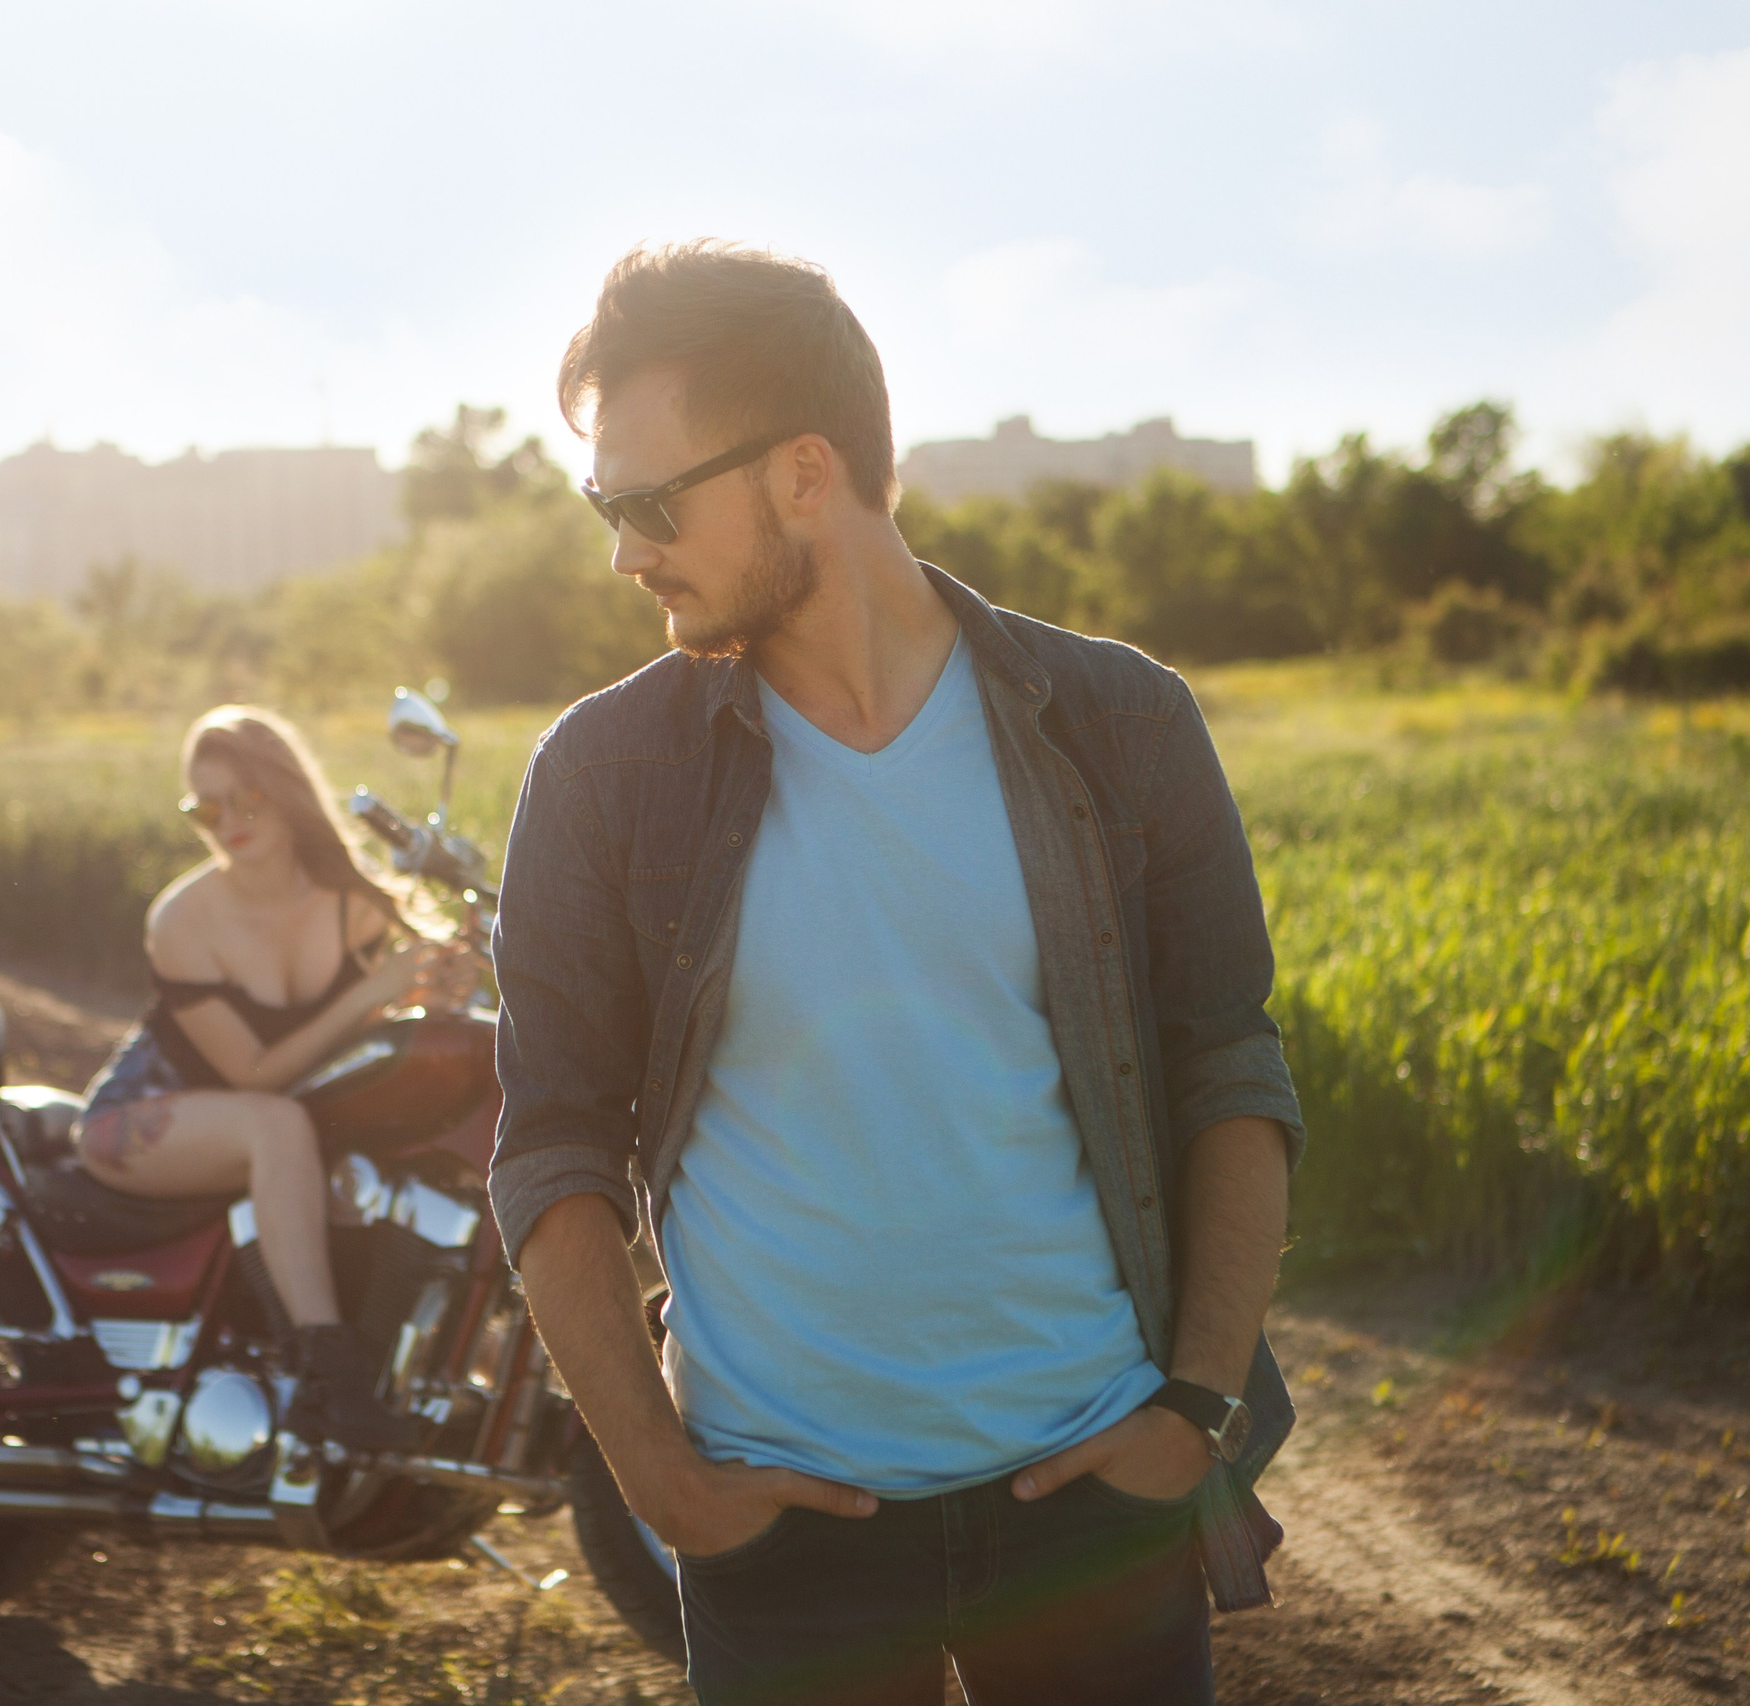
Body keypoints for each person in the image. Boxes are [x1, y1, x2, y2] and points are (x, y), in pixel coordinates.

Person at [488, 243, 1305, 1706]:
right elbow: (552, 1142)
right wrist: (660, 1476)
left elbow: (1227, 1067)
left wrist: (1192, 1407)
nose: (623, 553)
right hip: (781, 1532)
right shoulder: (602, 776)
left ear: (805, 471)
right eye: (602, 508)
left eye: (647, 503)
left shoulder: (1121, 721)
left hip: (1095, 1500)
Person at [78, 704, 456, 1450]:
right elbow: (254, 1075)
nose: (227, 823)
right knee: (276, 1125)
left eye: (244, 799)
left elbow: (388, 1013)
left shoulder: (356, 902)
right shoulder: (183, 919)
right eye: (205, 809)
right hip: (145, 1117)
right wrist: (371, 993)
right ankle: (327, 1379)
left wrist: (438, 985)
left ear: (284, 791)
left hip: (264, 1119)